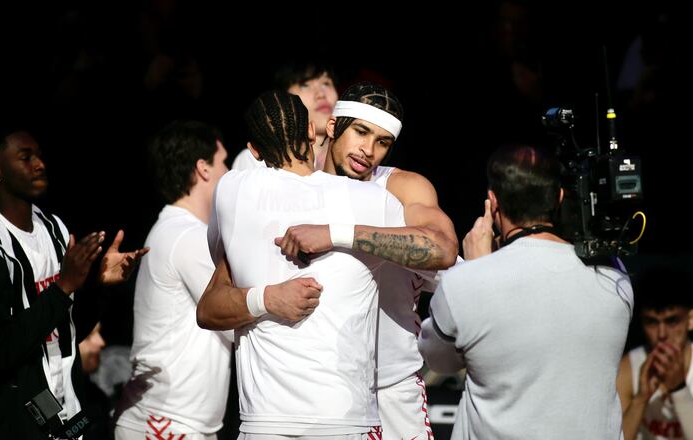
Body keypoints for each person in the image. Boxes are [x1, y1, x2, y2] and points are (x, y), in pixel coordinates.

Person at [197, 90, 419, 439]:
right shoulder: (372, 200)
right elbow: (438, 250)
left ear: (252, 151)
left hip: (262, 424)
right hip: (343, 422)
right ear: (313, 133)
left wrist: (263, 297)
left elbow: (211, 302)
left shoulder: (232, 191)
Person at [272, 81, 458, 439]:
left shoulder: (400, 187)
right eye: (361, 131)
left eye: (383, 141)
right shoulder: (292, 186)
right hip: (315, 387)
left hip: (390, 389)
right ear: (332, 126)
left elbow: (443, 249)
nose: (369, 150)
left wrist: (336, 233)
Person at [418, 144, 634, 439]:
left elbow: (439, 360)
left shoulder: (466, 283)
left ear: (493, 202)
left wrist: (475, 268)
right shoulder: (615, 276)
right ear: (559, 198)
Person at [0, 128, 147, 440]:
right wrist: (64, 286)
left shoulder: (53, 228)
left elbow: (67, 329)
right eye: (25, 158)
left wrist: (99, 287)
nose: (39, 164)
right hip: (18, 414)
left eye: (39, 156)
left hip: (67, 402)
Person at [114, 120, 234, 440]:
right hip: (165, 421)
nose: (229, 174)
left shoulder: (175, 229)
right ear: (203, 169)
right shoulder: (187, 236)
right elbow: (235, 318)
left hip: (174, 421)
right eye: (224, 163)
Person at [616, 267, 693, 440]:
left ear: (690, 320)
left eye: (672, 321)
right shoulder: (629, 367)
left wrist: (678, 388)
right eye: (652, 322)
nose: (662, 334)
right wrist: (641, 398)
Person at [232, 60, 338, 171]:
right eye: (304, 85)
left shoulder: (353, 156)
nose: (321, 94)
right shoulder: (253, 161)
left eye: (326, 83)